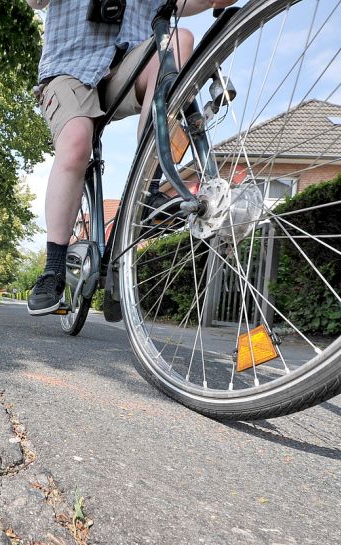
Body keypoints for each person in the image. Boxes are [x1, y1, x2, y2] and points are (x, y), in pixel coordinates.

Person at [26, 0, 237, 316]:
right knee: (76, 143)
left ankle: (146, 192)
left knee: (179, 42)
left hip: (127, 66)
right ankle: (53, 267)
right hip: (68, 67)